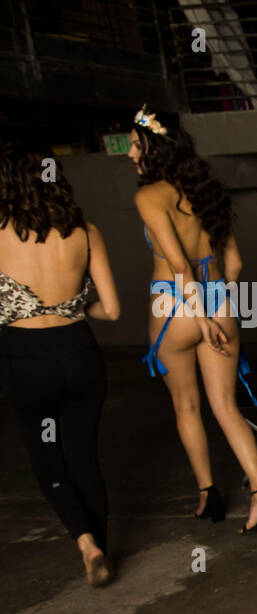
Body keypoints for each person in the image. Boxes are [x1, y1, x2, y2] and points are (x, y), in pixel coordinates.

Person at [128, 106, 257, 533]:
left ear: (153, 148)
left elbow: (178, 266)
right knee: (226, 406)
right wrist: (216, 311)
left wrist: (196, 315)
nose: (129, 154)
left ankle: (207, 494)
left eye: (135, 145)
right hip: (218, 301)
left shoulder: (147, 196)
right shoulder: (207, 191)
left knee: (186, 405)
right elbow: (234, 261)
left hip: (173, 306)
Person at [0, 145, 122, 586]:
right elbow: (111, 309)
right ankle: (103, 551)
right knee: (84, 456)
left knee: (48, 462)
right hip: (79, 352)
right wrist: (72, 306)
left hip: (25, 357)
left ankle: (86, 542)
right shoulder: (84, 231)